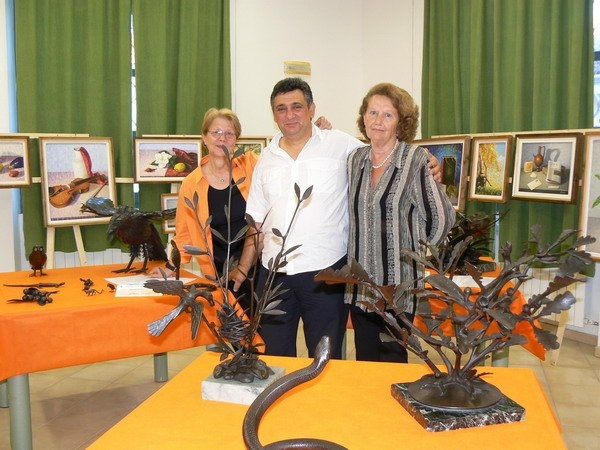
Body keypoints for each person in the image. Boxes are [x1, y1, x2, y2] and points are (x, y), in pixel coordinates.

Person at [243, 78, 441, 359]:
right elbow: (256, 220)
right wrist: (243, 269)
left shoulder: (341, 145)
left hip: (326, 274)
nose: (290, 115)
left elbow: (384, 149)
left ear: (312, 109)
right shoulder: (264, 158)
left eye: (297, 106)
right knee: (273, 355)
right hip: (274, 274)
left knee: (326, 357)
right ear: (273, 114)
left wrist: (428, 160)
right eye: (281, 108)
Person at [346, 82, 455, 363]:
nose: (378, 121)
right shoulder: (355, 160)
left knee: (392, 360)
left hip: (398, 285)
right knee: (365, 361)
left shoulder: (416, 160)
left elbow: (442, 218)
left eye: (388, 115)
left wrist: (418, 252)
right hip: (361, 284)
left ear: (401, 122)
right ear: (363, 117)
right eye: (372, 113)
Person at [148, 108, 257, 310]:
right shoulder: (191, 183)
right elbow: (184, 234)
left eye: (229, 133)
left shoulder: (251, 166)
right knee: (230, 325)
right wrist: (170, 268)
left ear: (236, 140)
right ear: (204, 137)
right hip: (219, 273)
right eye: (216, 132)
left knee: (262, 326)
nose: (222, 138)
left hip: (257, 266)